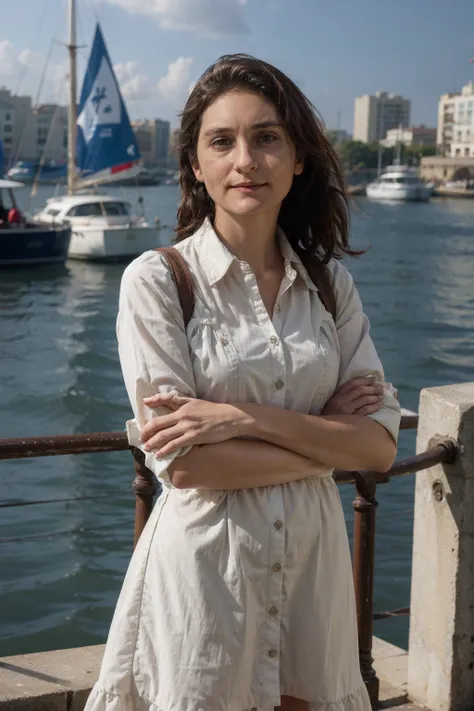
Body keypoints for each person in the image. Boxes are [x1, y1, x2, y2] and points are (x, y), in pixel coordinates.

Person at [85, 54, 400, 711]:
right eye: (221, 141)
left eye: (266, 137)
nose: (246, 160)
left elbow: (378, 448)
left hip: (313, 575)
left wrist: (241, 419)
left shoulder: (329, 286)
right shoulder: (158, 281)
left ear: (299, 158)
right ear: (196, 165)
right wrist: (325, 436)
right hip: (206, 582)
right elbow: (188, 465)